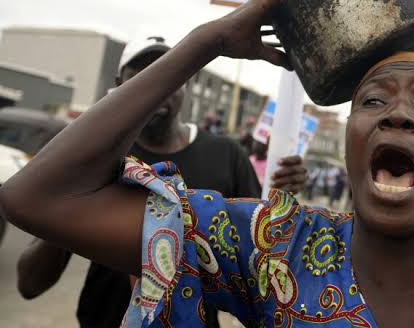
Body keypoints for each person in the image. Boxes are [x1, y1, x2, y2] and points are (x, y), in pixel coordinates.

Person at [0, 0, 414, 327]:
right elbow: (40, 198)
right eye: (373, 102)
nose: (397, 113)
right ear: (350, 149)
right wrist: (206, 42)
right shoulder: (278, 247)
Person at [15, 35, 305, 328]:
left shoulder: (227, 155)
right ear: (118, 85)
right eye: (142, 77)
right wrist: (69, 196)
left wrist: (279, 199)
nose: (156, 90)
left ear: (186, 84)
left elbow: (261, 259)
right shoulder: (98, 159)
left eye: (168, 76)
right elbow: (30, 284)